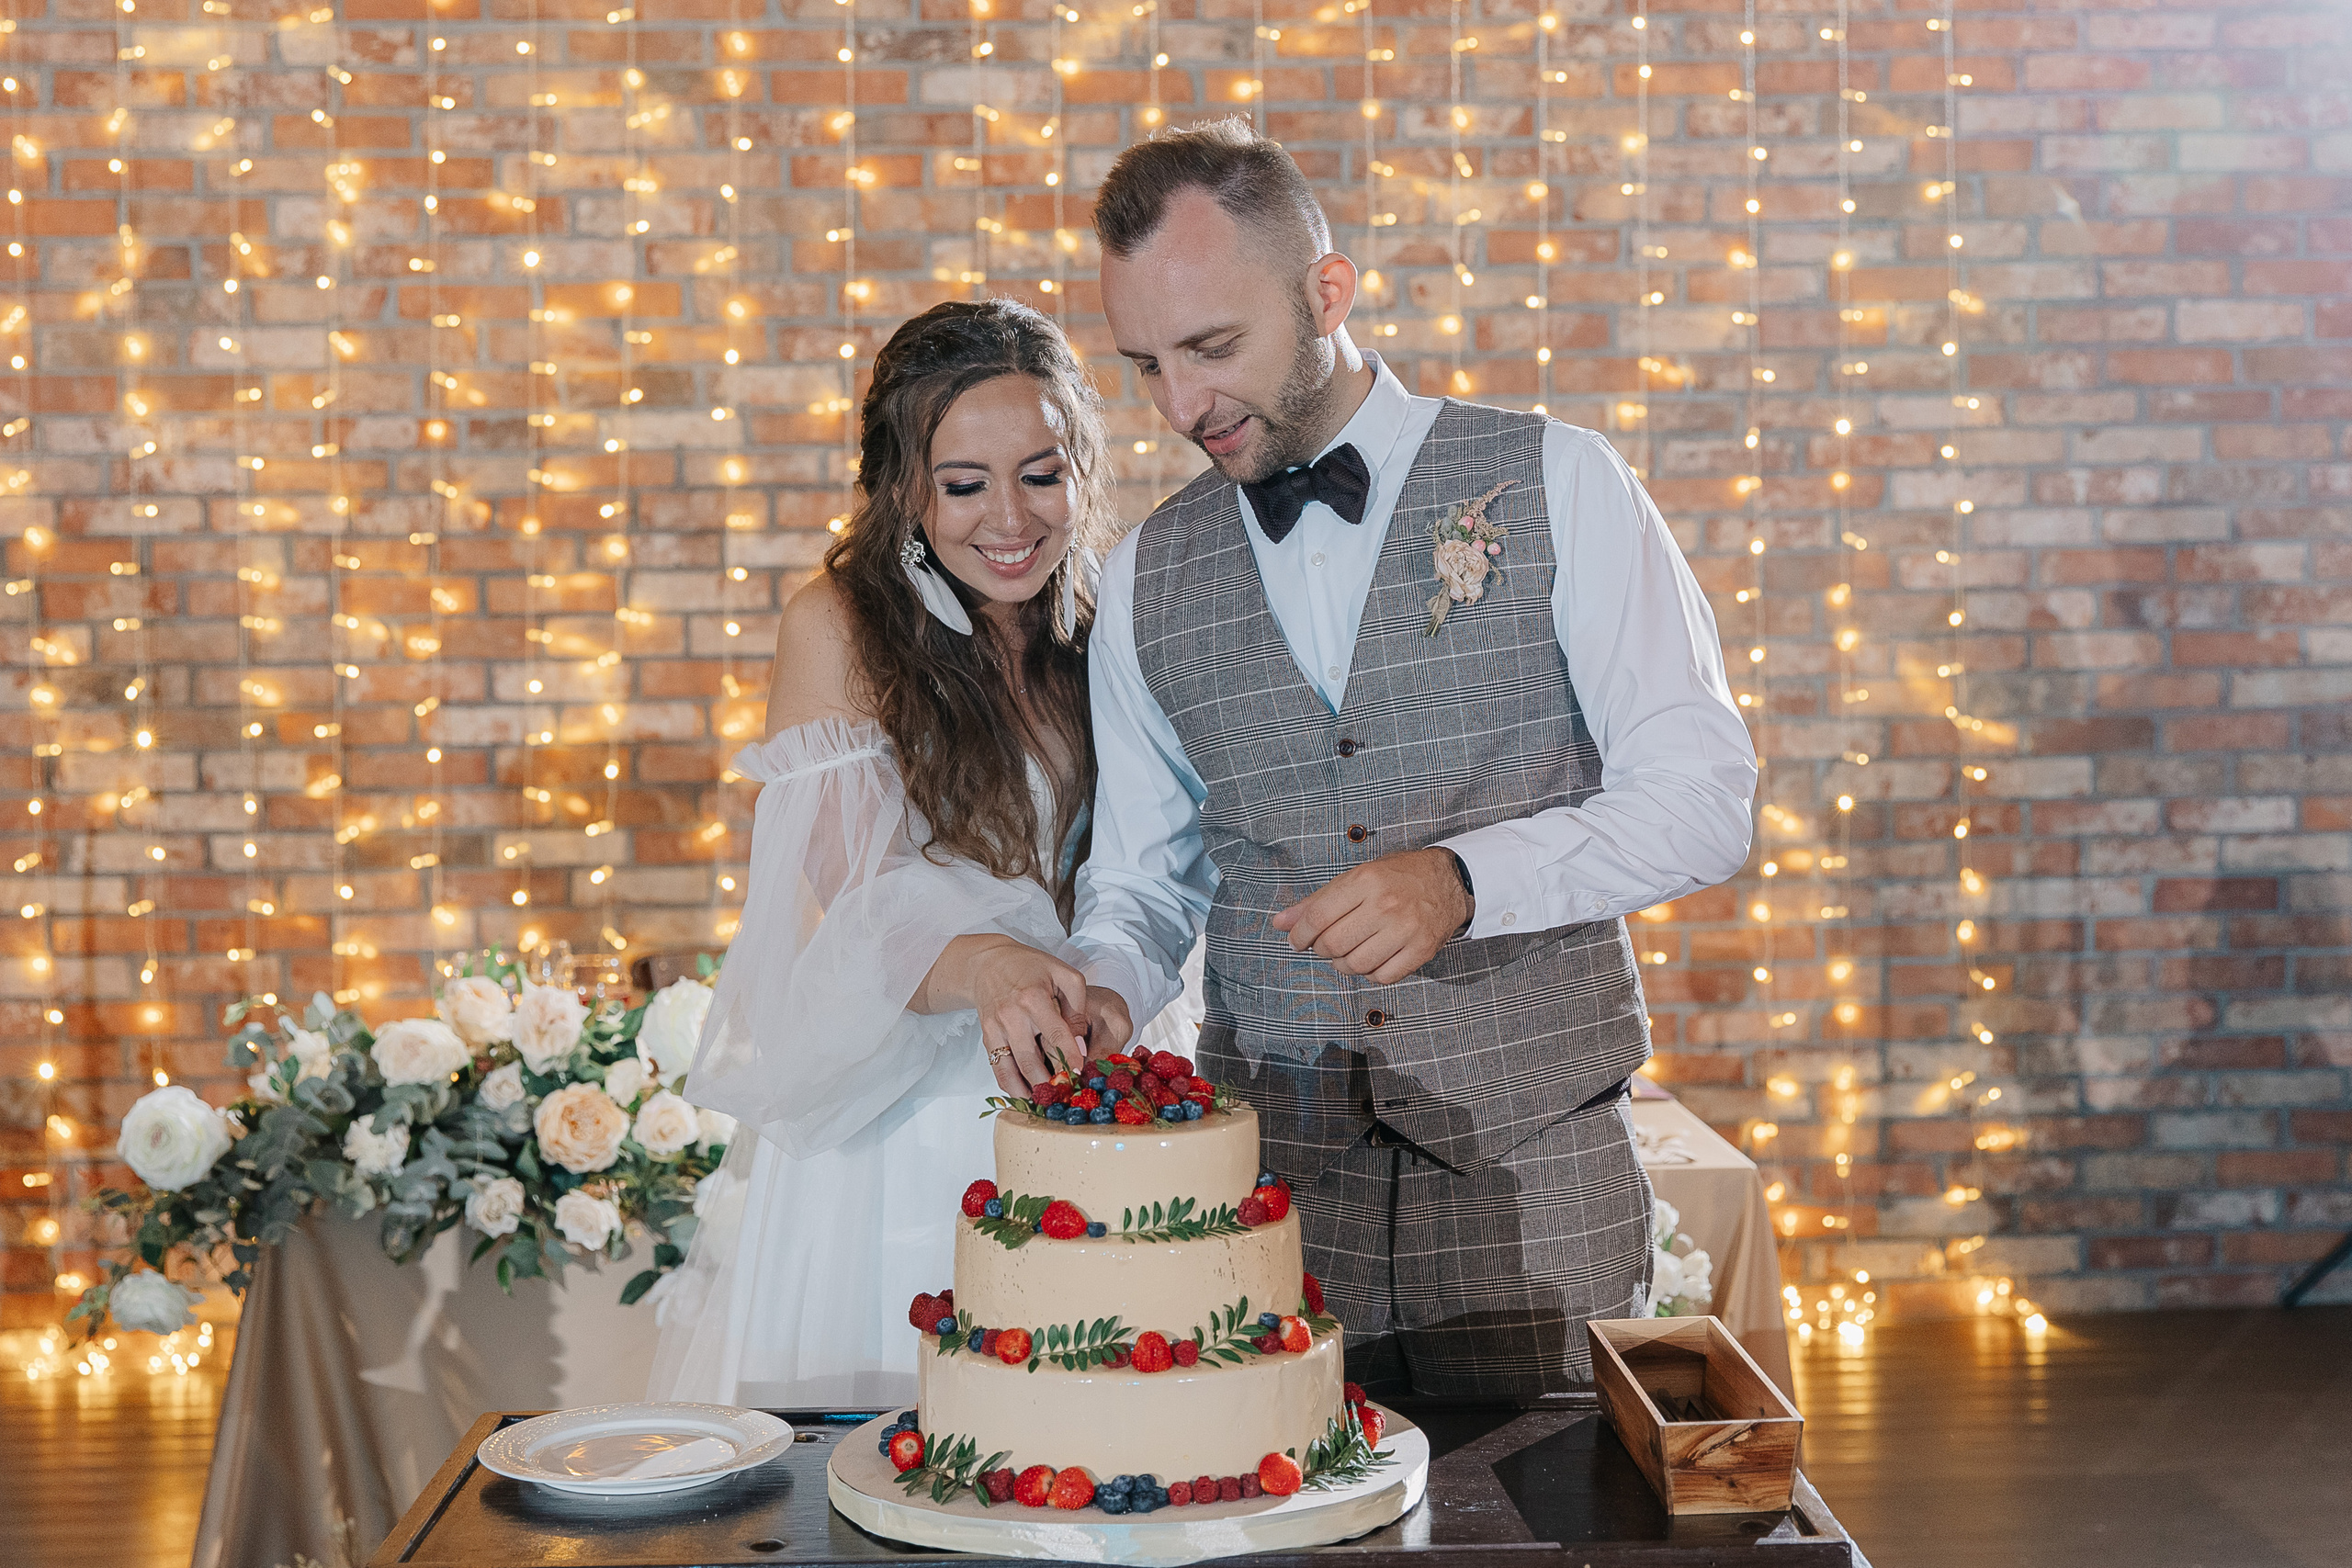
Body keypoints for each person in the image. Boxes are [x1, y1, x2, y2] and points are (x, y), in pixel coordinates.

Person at [1055, 119, 1755, 1395]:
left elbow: (1706, 798)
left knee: (1556, 1523)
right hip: (1272, 1188)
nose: (1182, 406)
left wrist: (1469, 879)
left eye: (1216, 348)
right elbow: (1144, 880)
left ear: (1329, 290)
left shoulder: (1559, 480)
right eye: (1145, 365)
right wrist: (1106, 978)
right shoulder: (1148, 572)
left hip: (1535, 1162)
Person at [648, 299, 1198, 1406]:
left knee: (1113, 1438)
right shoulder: (837, 624)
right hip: (912, 1124)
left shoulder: (1110, 622)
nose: (1010, 517)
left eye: (1042, 474)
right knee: (920, 1452)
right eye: (963, 483)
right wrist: (990, 967)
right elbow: (861, 893)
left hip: (1095, 1082)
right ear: (905, 485)